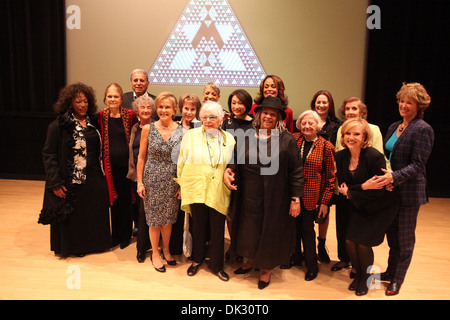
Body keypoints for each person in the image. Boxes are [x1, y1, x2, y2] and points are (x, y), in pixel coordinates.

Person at [224, 96, 304, 289]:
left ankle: (266, 269)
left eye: (273, 114)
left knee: (269, 230)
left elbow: (296, 171)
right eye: (265, 113)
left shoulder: (286, 140)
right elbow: (234, 158)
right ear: (258, 115)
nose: (268, 116)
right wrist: (229, 169)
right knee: (248, 229)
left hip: (274, 196)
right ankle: (251, 261)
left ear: (279, 118)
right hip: (247, 193)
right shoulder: (246, 134)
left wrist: (295, 198)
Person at [374, 82, 434, 296]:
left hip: (408, 192)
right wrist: (385, 177)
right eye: (402, 100)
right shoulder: (394, 126)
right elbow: (387, 156)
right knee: (392, 236)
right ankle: (391, 271)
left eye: (410, 102)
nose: (404, 105)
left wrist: (394, 177)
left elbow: (418, 164)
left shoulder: (423, 129)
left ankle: (398, 280)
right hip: (390, 190)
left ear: (419, 106)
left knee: (405, 239)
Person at [39, 83, 111, 257]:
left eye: (85, 101)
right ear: (69, 103)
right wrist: (55, 182)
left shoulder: (93, 122)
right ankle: (76, 248)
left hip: (95, 177)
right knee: (76, 216)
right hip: (71, 180)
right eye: (78, 101)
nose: (83, 105)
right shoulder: (59, 126)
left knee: (93, 213)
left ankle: (96, 244)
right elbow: (49, 155)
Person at [335, 118, 400, 296]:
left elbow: (378, 191)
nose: (351, 137)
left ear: (364, 137)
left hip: (382, 206)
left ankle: (365, 278)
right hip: (360, 203)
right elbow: (343, 187)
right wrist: (363, 187)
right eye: (348, 133)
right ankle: (358, 274)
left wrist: (354, 191)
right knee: (349, 240)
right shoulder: (340, 156)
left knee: (363, 243)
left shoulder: (374, 156)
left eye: (356, 134)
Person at [176, 101, 236, 282]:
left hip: (218, 189)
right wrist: (180, 184)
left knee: (218, 229)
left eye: (213, 117)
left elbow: (232, 164)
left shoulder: (229, 139)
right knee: (198, 226)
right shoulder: (190, 136)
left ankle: (217, 265)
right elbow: (181, 160)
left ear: (221, 119)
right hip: (195, 187)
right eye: (205, 117)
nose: (209, 121)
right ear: (201, 118)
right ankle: (197, 260)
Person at [332, 97, 391, 274]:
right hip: (350, 192)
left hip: (372, 197)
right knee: (346, 233)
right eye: (348, 108)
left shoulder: (373, 145)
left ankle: (362, 273)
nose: (351, 137)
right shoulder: (341, 148)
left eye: (354, 108)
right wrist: (350, 189)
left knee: (360, 238)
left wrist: (381, 180)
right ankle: (351, 265)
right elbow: (343, 177)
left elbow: (378, 167)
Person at [136, 92, 183, 273]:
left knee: (169, 219)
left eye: (167, 107)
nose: (163, 110)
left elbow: (184, 161)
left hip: (172, 179)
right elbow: (141, 158)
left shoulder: (182, 131)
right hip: (152, 178)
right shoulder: (148, 129)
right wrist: (139, 182)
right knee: (154, 220)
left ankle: (167, 250)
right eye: (161, 107)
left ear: (174, 110)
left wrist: (181, 185)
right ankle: (155, 253)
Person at [291, 110, 335, 281]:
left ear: (317, 126)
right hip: (293, 195)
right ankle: (294, 257)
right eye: (304, 123)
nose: (307, 126)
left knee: (307, 230)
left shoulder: (326, 146)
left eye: (311, 123)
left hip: (312, 198)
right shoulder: (294, 140)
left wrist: (324, 202)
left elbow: (331, 178)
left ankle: (311, 265)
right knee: (293, 228)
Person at [98, 83, 138, 249]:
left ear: (122, 99)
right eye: (110, 96)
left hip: (127, 167)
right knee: (114, 200)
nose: (113, 99)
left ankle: (126, 235)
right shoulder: (102, 115)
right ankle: (115, 235)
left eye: (116, 96)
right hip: (109, 167)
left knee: (127, 200)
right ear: (105, 98)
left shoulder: (130, 115)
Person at [309, 89, 342, 263]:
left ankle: (321, 245)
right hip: (309, 172)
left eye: (324, 102)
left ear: (330, 105)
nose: (321, 105)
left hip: (327, 172)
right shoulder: (307, 120)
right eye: (318, 102)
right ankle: (304, 246)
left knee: (324, 209)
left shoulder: (336, 125)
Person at [126, 94, 154, 262]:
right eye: (142, 107)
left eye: (148, 107)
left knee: (146, 214)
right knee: (138, 212)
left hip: (150, 176)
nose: (145, 110)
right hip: (135, 175)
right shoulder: (134, 128)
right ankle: (142, 246)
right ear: (136, 110)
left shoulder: (155, 127)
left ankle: (145, 247)